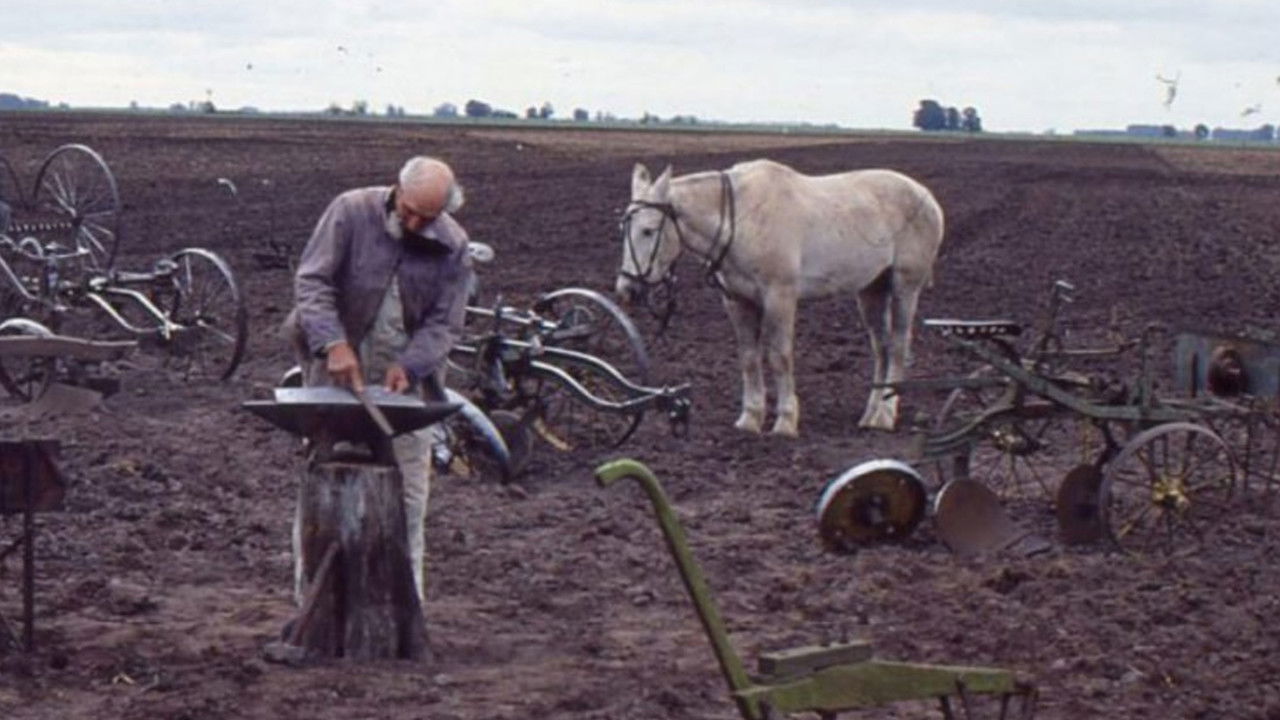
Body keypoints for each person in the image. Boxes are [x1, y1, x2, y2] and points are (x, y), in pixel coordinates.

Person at [284, 155, 474, 604]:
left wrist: (411, 365)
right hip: (334, 378)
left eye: (427, 218)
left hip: (405, 391)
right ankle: (311, 607)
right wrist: (333, 343)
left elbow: (445, 323)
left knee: (406, 499)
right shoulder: (350, 211)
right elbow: (312, 282)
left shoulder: (453, 244)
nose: (414, 223)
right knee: (322, 490)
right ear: (396, 190)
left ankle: (404, 612)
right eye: (409, 211)